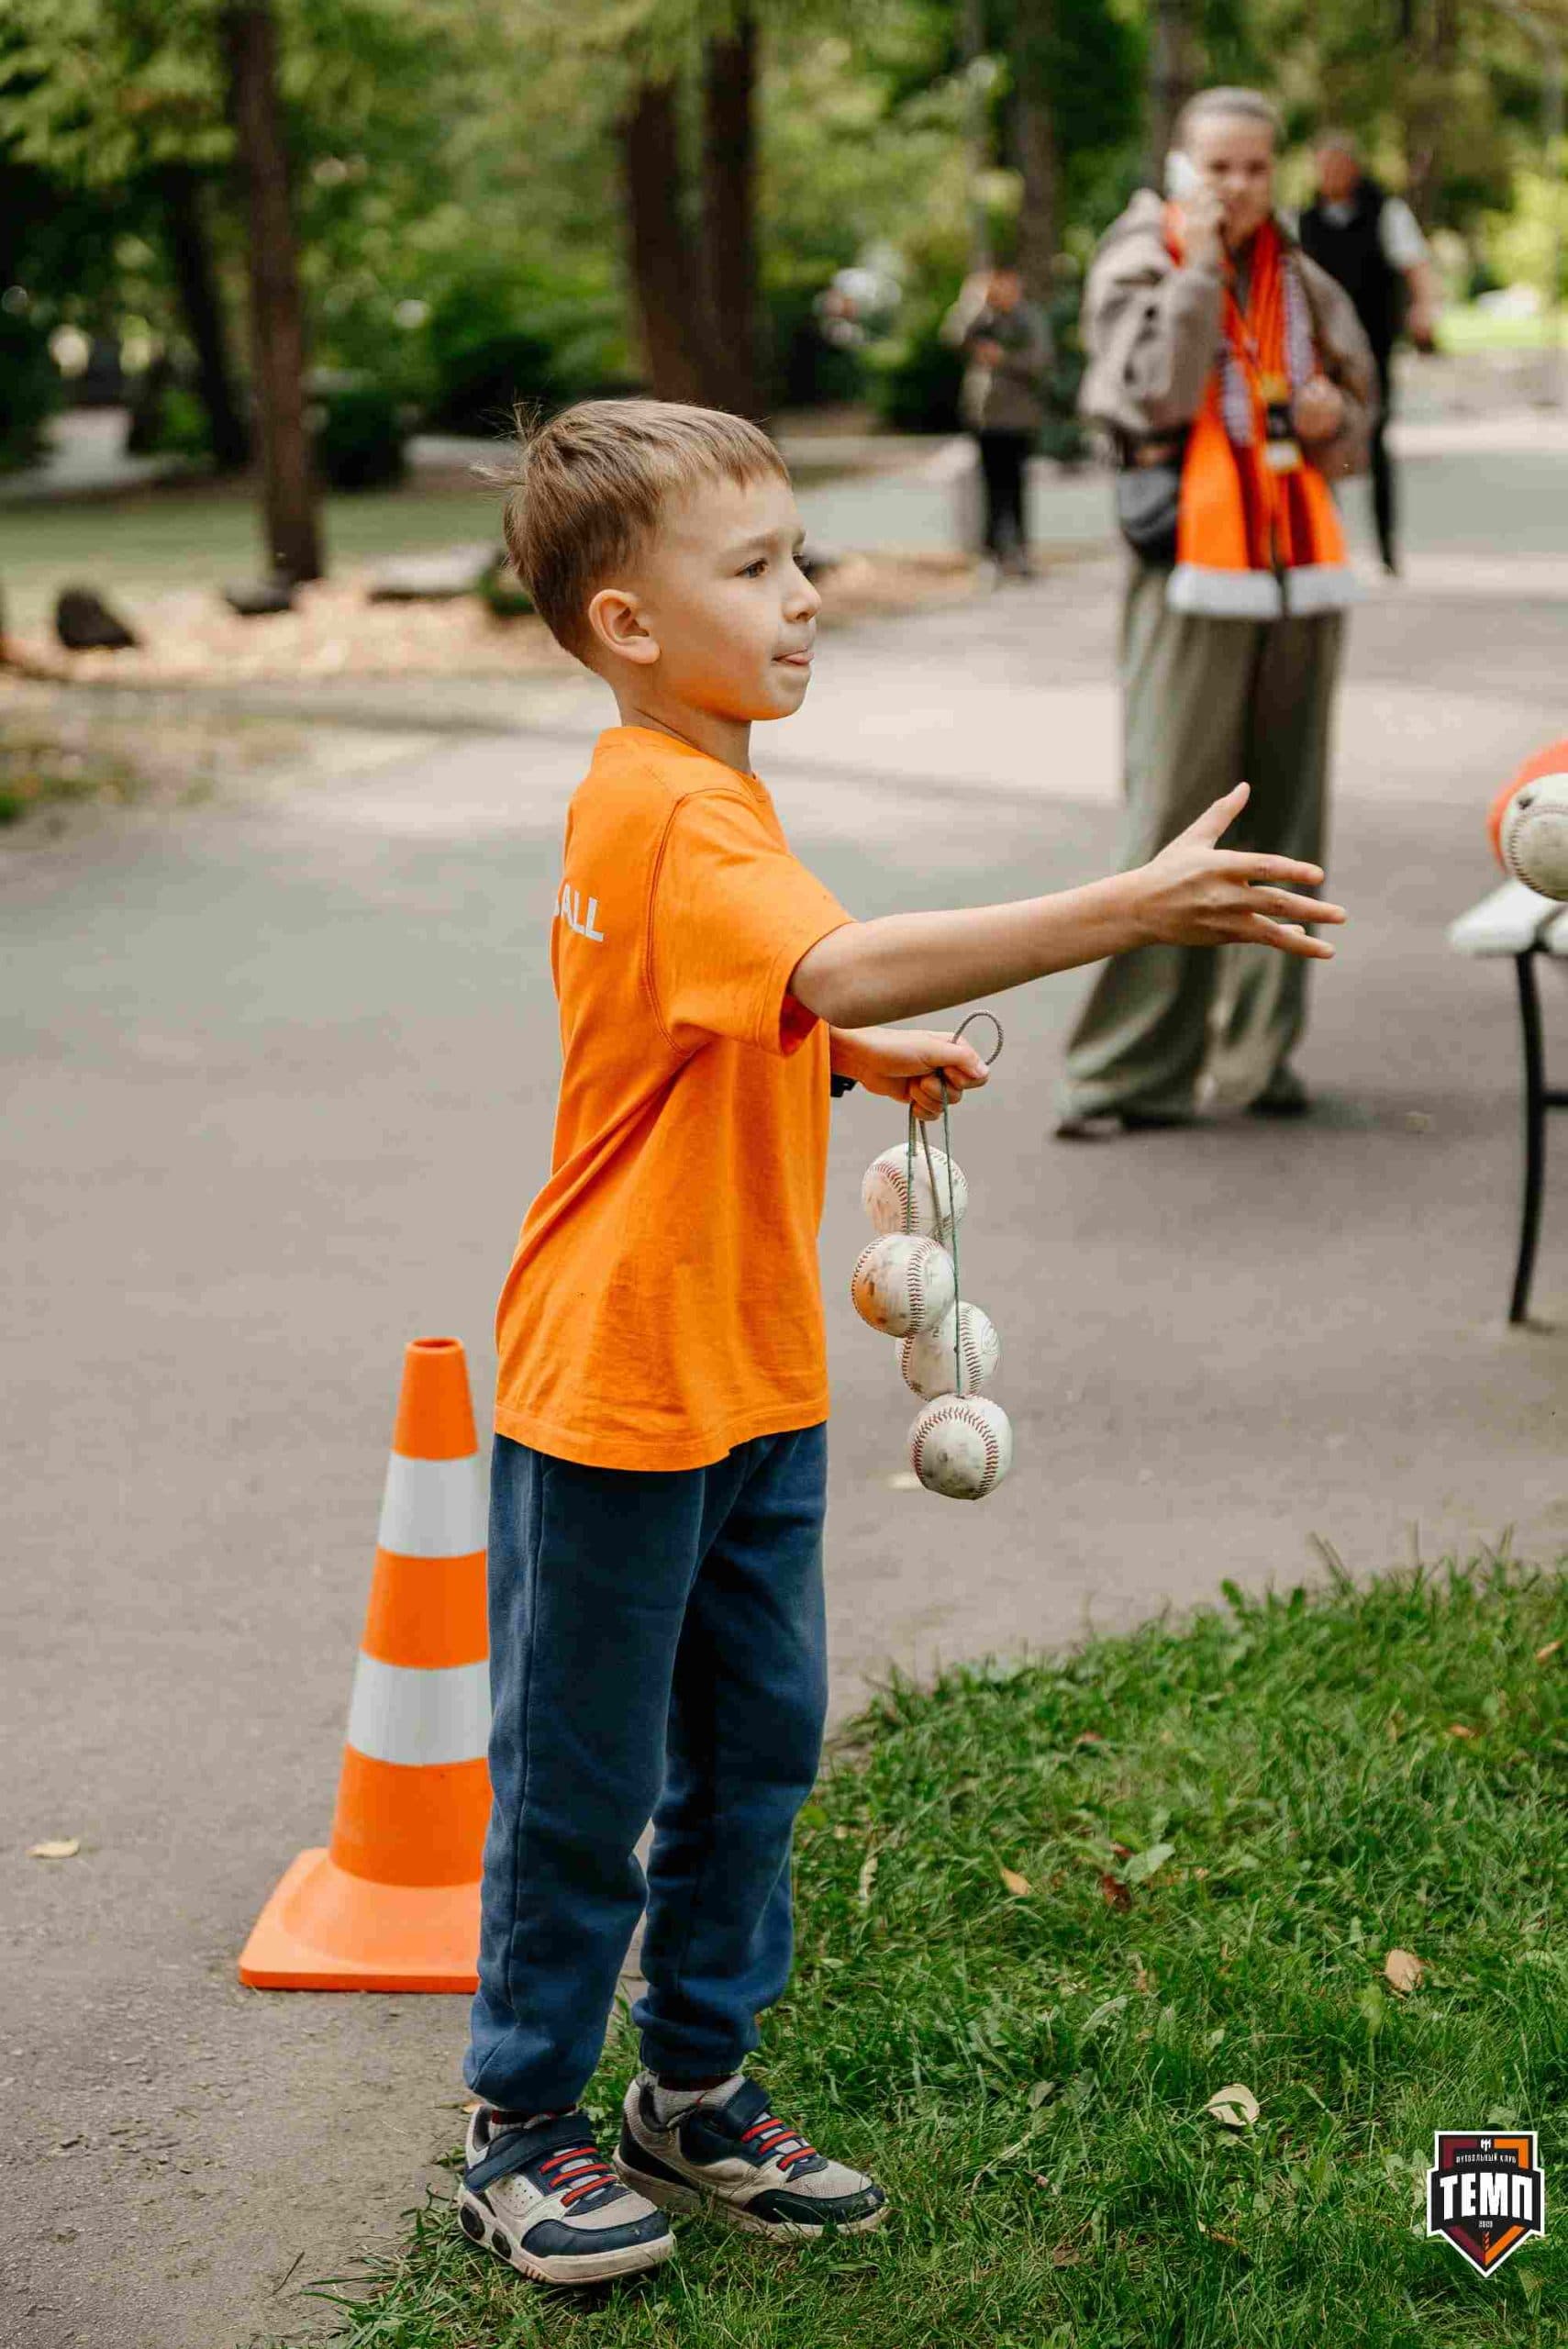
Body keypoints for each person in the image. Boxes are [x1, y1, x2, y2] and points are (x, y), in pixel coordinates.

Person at [460, 395, 1344, 2287]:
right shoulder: (664, 797)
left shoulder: (701, 789)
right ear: (627, 623)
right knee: (578, 1777)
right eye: (757, 566)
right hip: (616, 1386)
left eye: (803, 556)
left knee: (752, 1747)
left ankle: (689, 2085)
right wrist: (1126, 906)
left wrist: (845, 1058)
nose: (806, 594)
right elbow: (828, 954)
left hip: (749, 1376)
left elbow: (718, 1000)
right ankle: (520, 2119)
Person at [1057, 87, 1374, 1139]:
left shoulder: (1298, 273)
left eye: (1254, 167)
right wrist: (1196, 269)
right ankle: (1125, 1074)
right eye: (1217, 168)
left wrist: (1336, 418)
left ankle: (1256, 1059)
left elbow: (1355, 415)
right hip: (1189, 573)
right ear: (1181, 170)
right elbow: (1150, 395)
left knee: (1287, 822)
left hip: (1296, 569)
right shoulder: (1136, 260)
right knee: (1174, 817)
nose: (1239, 187)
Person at [1298, 129, 1439, 576]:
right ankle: (1328, 542)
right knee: (1318, 441)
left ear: (1353, 168)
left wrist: (1423, 310)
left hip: (1373, 344)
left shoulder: (1386, 211)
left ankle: (1385, 548)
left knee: (1375, 441)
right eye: (1323, 167)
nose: (1330, 175)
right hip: (1320, 350)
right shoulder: (1304, 221)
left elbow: (1415, 264)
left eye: (1337, 165)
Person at [944, 264, 1051, 574]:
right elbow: (952, 337)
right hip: (985, 418)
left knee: (1015, 486)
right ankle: (990, 553)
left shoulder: (1029, 319)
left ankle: (1019, 550)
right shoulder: (981, 317)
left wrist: (1003, 359)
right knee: (989, 487)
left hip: (1019, 417)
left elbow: (1041, 360)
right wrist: (972, 302)